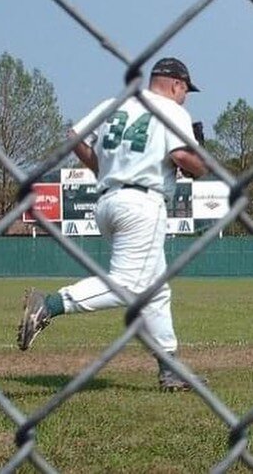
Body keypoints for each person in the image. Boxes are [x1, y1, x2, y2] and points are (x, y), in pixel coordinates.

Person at [17, 57, 208, 391]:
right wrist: (202, 162)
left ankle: (170, 369)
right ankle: (48, 305)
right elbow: (182, 159)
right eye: (185, 90)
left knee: (156, 291)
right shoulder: (172, 110)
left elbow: (74, 136)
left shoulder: (114, 104)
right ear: (176, 84)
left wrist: (100, 168)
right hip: (143, 204)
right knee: (131, 285)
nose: (185, 97)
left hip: (108, 201)